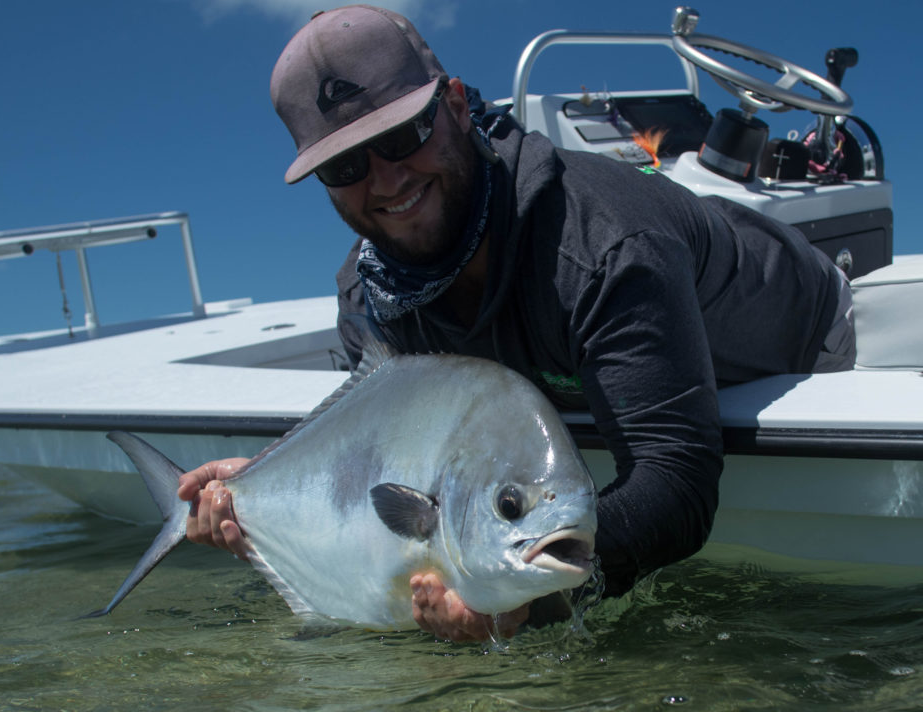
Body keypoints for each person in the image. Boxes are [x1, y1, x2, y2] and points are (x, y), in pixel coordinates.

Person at [177, 5, 856, 642]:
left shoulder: (601, 245)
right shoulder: (369, 294)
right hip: (566, 397)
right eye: (347, 165)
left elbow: (675, 474)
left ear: (456, 104)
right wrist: (266, 492)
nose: (386, 180)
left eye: (403, 135)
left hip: (792, 345)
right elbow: (375, 458)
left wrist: (529, 603)